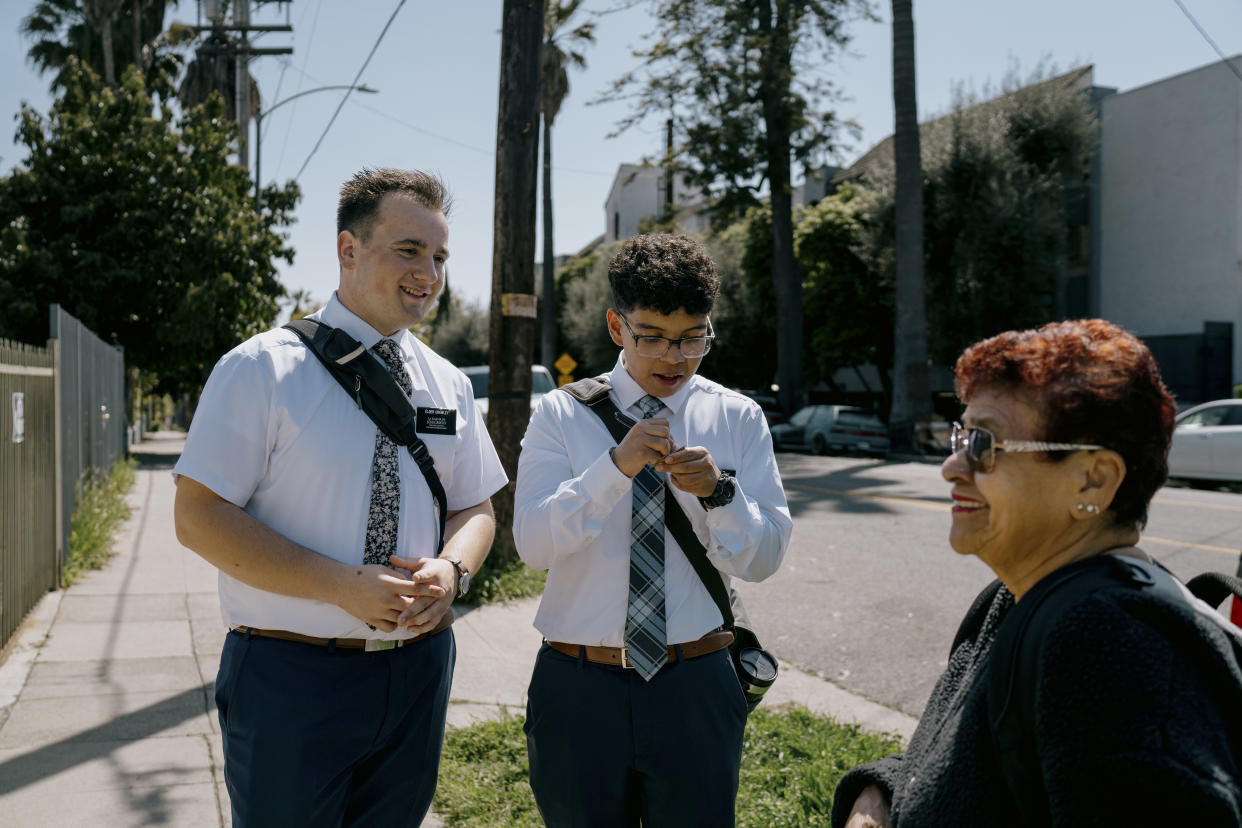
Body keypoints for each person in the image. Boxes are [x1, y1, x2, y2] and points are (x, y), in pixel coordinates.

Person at [173, 167, 507, 827]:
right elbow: (199, 517)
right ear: (347, 251)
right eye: (409, 250)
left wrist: (454, 569)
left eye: (439, 256)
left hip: (417, 673)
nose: (429, 273)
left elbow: (477, 509)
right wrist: (337, 585)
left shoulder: (447, 383)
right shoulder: (261, 369)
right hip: (290, 677)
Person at [835, 319, 1242, 828]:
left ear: (1093, 481)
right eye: (960, 436)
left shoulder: (1113, 649)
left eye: (984, 443)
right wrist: (876, 794)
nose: (952, 467)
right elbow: (947, 766)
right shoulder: (1009, 597)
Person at [514, 233, 793, 827]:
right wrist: (612, 469)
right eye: (654, 338)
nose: (675, 358)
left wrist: (721, 494)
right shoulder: (561, 414)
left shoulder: (737, 417)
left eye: (694, 337)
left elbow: (765, 559)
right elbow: (532, 545)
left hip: (696, 682)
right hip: (578, 684)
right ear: (617, 327)